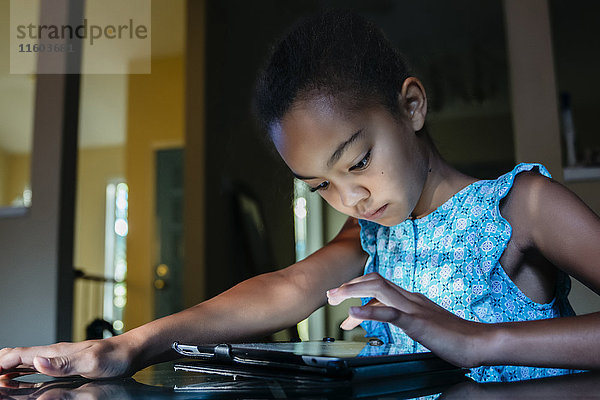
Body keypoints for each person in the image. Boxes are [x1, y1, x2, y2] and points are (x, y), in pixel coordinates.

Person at [1, 10, 599, 383]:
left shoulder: (523, 205)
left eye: (358, 161)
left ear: (411, 107)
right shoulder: (370, 239)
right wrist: (130, 346)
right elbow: (285, 290)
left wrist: (481, 342)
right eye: (321, 187)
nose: (352, 198)